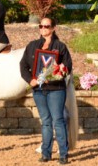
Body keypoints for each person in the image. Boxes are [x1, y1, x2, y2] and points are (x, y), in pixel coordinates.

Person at [19, 17, 73, 164]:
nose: (43, 29)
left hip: (56, 90)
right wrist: (30, 80)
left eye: (47, 26)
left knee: (58, 121)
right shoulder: (32, 46)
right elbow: (23, 65)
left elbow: (68, 66)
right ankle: (46, 153)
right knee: (46, 122)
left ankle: (63, 154)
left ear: (53, 28)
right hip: (38, 90)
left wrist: (61, 70)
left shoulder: (60, 47)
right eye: (41, 26)